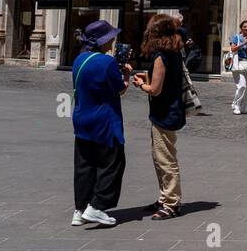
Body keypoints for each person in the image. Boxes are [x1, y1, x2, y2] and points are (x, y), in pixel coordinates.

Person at [70, 20, 131, 227]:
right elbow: (120, 88)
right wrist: (127, 73)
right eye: (110, 38)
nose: (113, 41)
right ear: (103, 41)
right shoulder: (106, 63)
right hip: (104, 120)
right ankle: (97, 206)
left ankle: (80, 209)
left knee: (84, 165)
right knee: (112, 163)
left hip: (82, 117)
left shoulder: (79, 59)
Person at [133, 14, 186, 220]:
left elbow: (155, 90)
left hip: (164, 113)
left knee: (165, 159)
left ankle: (172, 203)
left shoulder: (161, 56)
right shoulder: (173, 52)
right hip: (170, 110)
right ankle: (164, 197)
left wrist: (141, 85)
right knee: (160, 157)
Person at [171, 12, 203, 115]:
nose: (181, 24)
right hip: (173, 57)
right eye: (179, 22)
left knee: (182, 80)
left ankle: (184, 102)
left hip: (180, 57)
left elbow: (188, 43)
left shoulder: (181, 31)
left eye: (181, 22)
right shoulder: (170, 31)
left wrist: (188, 43)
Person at [227, 19, 247, 115]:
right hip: (238, 64)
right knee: (242, 86)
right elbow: (233, 48)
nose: (246, 28)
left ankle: (242, 107)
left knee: (246, 88)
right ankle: (235, 105)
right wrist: (244, 43)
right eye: (244, 26)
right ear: (241, 28)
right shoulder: (236, 38)